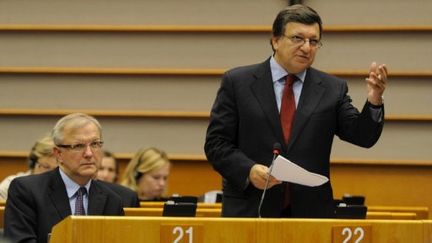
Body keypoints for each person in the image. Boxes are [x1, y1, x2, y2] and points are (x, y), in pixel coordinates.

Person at [204, 4, 387, 218]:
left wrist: (374, 101)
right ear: (275, 40)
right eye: (298, 38)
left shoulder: (331, 89)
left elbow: (362, 136)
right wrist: (249, 170)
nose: (306, 47)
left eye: (314, 41)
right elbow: (216, 144)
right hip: (251, 208)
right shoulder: (238, 82)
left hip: (310, 213)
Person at [4, 113, 124, 243]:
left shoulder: (112, 200)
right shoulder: (27, 190)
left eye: (95, 144)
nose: (89, 153)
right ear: (59, 154)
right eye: (78, 146)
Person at [0, 134, 57, 201]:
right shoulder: (11, 185)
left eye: (56, 169)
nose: (50, 173)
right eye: (45, 167)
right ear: (33, 164)